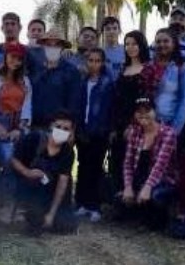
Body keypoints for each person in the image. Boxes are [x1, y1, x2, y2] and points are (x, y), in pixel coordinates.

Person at [10, 111, 78, 234]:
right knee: (35, 224)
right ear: (51, 126)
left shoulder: (68, 152)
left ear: (71, 132)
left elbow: (62, 183)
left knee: (67, 225)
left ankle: (45, 217)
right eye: (58, 127)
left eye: (66, 129)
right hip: (29, 187)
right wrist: (27, 172)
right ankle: (28, 214)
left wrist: (52, 214)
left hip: (50, 192)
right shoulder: (34, 138)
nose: (61, 131)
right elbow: (14, 159)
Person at [0, 42, 33, 199]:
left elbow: (27, 106)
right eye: (12, 57)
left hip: (18, 124)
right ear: (5, 57)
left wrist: (20, 128)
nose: (15, 61)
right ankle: (4, 203)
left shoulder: (25, 81)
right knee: (8, 161)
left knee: (23, 161)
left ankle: (19, 201)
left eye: (19, 59)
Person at [119, 96, 178, 230]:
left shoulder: (168, 133)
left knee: (154, 197)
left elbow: (160, 166)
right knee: (120, 199)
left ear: (155, 112)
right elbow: (128, 163)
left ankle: (162, 218)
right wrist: (128, 186)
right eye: (139, 111)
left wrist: (147, 188)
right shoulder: (134, 132)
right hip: (140, 177)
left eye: (147, 110)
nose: (143, 114)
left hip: (163, 180)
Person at [74, 48, 114, 222]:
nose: (94, 64)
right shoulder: (81, 82)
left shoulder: (107, 83)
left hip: (100, 132)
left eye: (98, 61)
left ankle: (94, 205)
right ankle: (81, 203)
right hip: (83, 131)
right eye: (91, 60)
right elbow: (77, 106)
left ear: (103, 63)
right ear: (86, 62)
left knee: (96, 167)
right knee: (83, 166)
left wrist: (109, 129)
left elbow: (112, 108)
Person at [110, 30, 150, 190]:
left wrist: (134, 124)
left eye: (134, 43)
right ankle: (119, 201)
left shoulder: (148, 69)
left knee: (135, 164)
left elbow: (146, 101)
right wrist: (113, 127)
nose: (130, 47)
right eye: (127, 44)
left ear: (141, 45)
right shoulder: (123, 69)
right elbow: (116, 100)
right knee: (117, 163)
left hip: (138, 125)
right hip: (119, 123)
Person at [143, 28, 185, 134]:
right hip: (147, 126)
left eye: (166, 41)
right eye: (158, 42)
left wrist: (173, 131)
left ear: (174, 43)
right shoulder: (148, 67)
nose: (162, 44)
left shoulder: (183, 69)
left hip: (169, 126)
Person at [29, 29, 82, 129]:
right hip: (35, 125)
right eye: (49, 44)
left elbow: (74, 103)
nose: (52, 48)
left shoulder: (71, 71)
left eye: (56, 45)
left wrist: (70, 128)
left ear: (62, 47)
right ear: (43, 46)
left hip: (59, 127)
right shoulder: (35, 69)